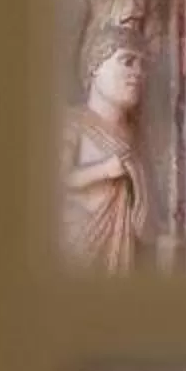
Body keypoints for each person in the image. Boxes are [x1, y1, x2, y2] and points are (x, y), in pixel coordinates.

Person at [63, 27, 154, 274]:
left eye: (143, 66)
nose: (138, 73)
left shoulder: (138, 135)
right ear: (95, 66)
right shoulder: (72, 123)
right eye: (128, 61)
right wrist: (104, 170)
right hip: (79, 248)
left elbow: (145, 210)